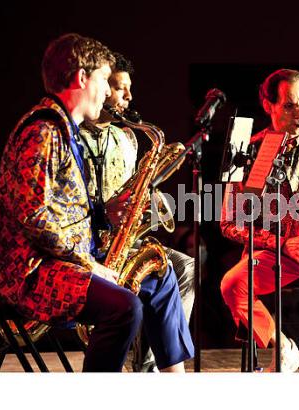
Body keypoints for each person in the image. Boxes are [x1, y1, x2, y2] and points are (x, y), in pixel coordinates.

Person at [0, 33, 193, 372]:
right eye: (103, 80)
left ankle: (173, 386)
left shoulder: (63, 130)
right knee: (123, 308)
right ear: (82, 78)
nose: (108, 92)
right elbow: (33, 215)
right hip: (32, 273)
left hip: (59, 261)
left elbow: (60, 207)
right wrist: (88, 262)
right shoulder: (43, 132)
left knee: (159, 275)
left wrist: (101, 214)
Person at [220, 69, 299, 371]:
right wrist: (284, 244)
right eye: (289, 105)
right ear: (268, 105)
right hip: (281, 253)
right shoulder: (248, 152)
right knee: (232, 285)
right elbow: (228, 223)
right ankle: (284, 346)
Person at [78, 52, 195, 371]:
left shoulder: (127, 137)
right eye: (118, 87)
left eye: (129, 88)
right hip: (87, 245)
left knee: (185, 266)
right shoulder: (73, 135)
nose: (128, 96)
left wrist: (151, 203)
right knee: (163, 272)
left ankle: (150, 362)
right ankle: (152, 365)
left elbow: (133, 191)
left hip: (121, 243)